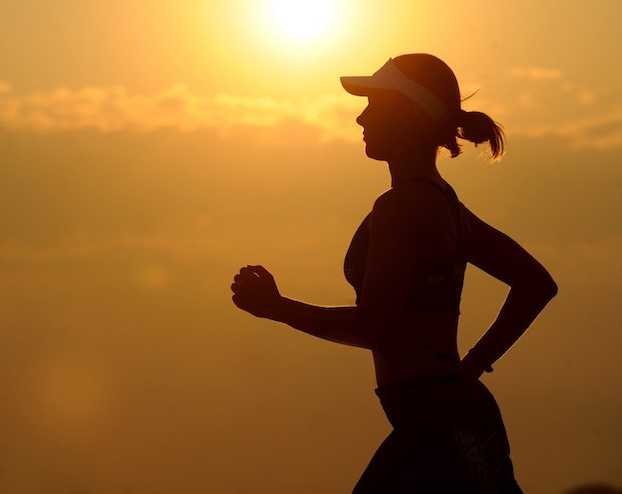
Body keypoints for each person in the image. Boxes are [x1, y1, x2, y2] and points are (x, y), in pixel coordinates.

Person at [230, 54, 557, 493]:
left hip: (439, 424)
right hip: (449, 417)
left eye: (374, 105)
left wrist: (278, 308)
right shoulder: (445, 205)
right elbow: (537, 284)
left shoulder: (402, 207)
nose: (360, 117)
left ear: (408, 113)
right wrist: (473, 365)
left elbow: (374, 325)